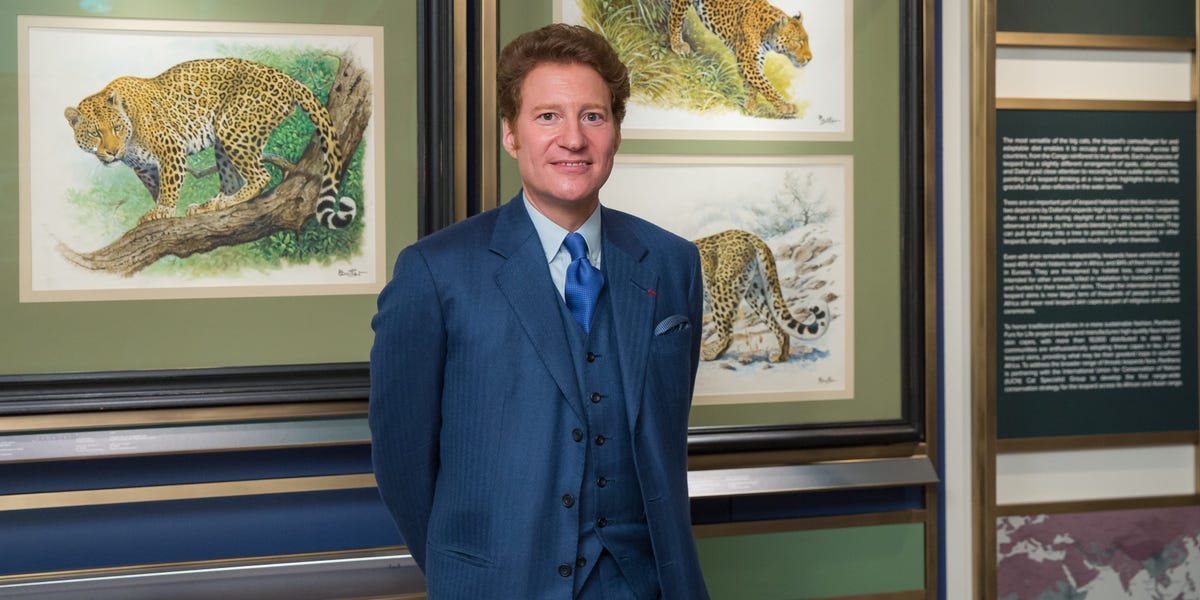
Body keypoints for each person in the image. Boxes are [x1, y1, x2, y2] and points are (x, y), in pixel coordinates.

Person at [369, 23, 709, 599]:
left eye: (592, 116)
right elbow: (402, 460)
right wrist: (472, 570)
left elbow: (664, 436)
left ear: (615, 133)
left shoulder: (672, 264)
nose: (573, 139)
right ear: (511, 134)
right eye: (548, 116)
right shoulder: (434, 272)